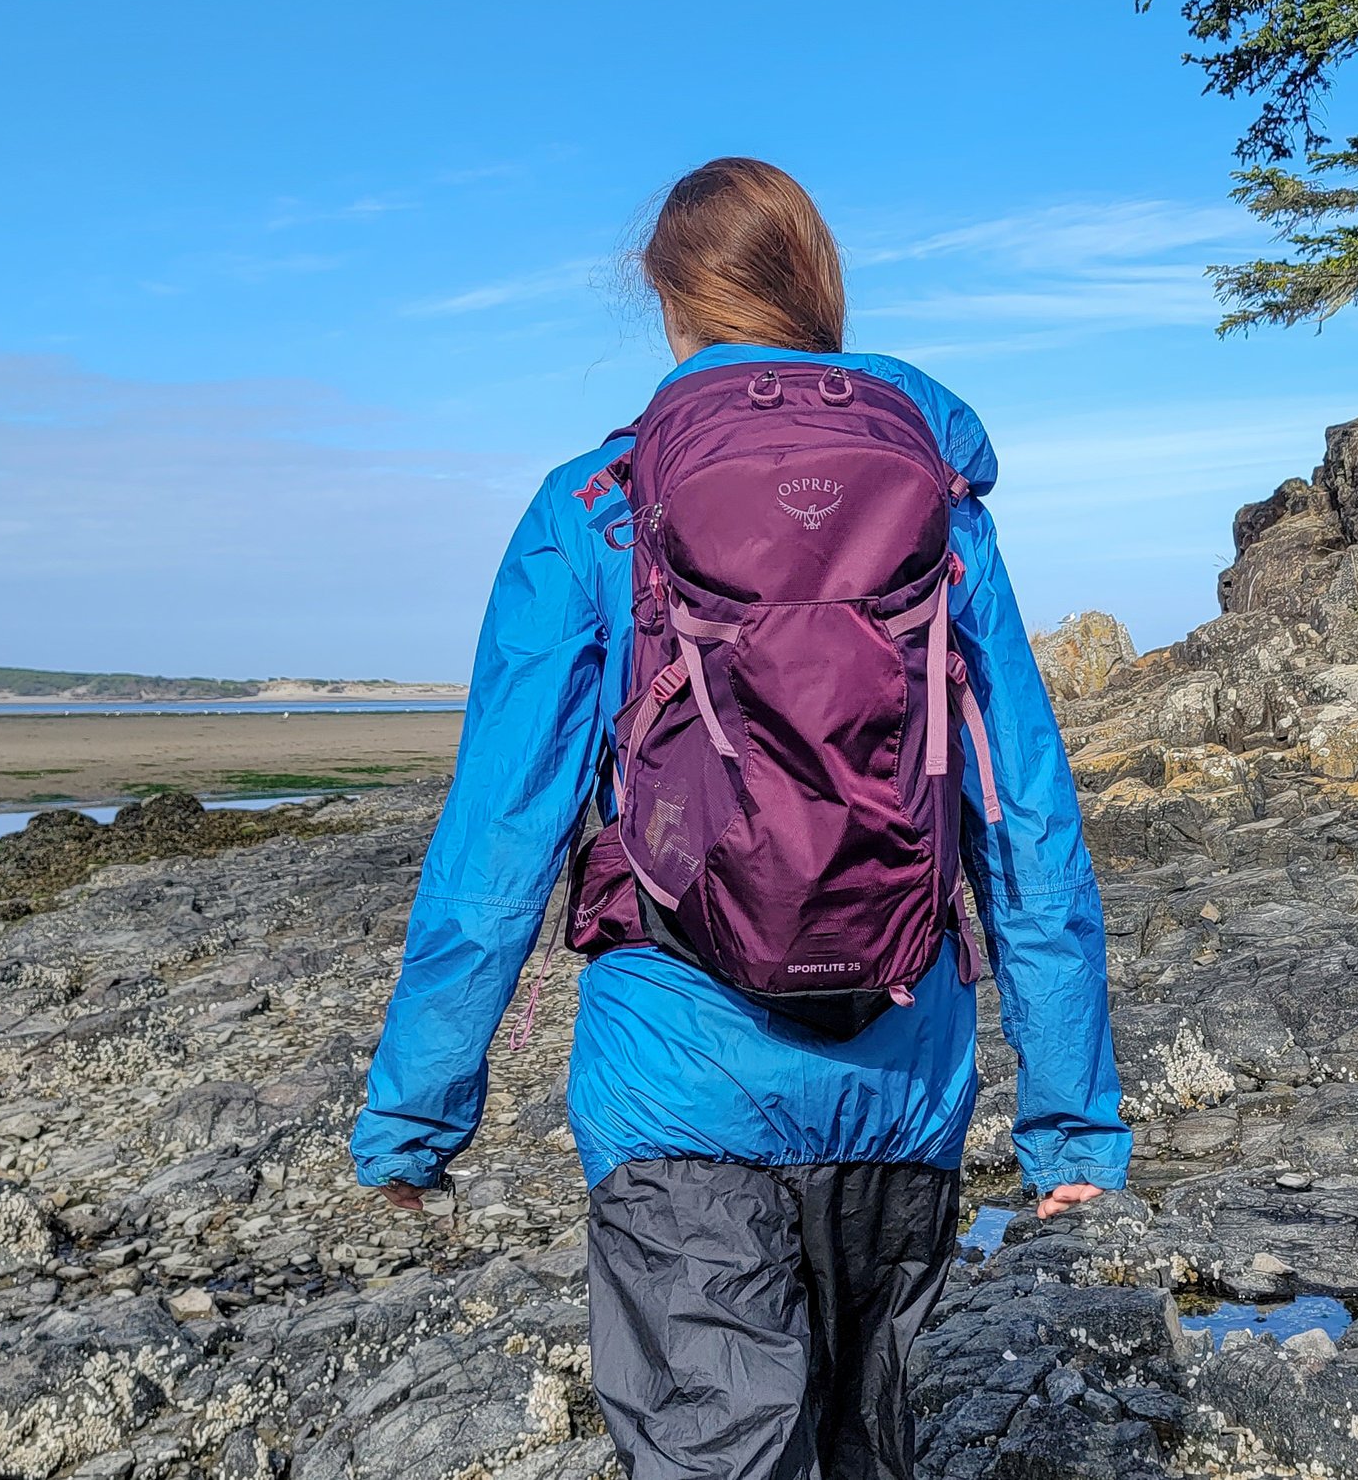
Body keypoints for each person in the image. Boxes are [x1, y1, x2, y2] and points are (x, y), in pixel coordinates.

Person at [351, 157, 1129, 1480]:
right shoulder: (939, 509)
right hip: (904, 1077)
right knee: (868, 1451)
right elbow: (1024, 820)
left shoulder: (594, 510)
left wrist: (419, 1114)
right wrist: (1070, 1120)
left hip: (677, 1077)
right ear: (819, 294)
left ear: (668, 302)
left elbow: (500, 837)